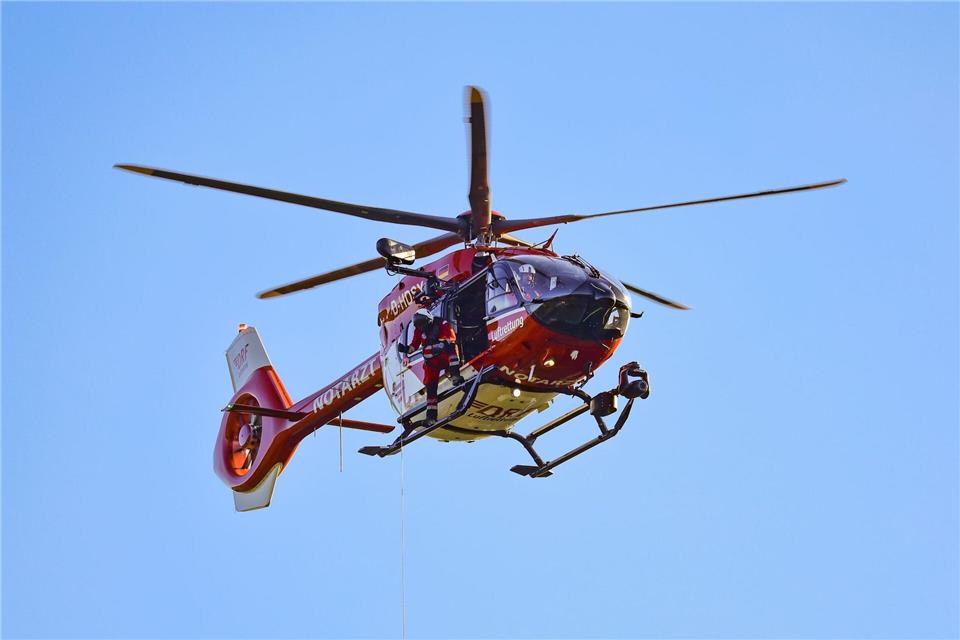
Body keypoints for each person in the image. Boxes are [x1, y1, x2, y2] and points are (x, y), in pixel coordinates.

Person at [400, 309, 464, 424]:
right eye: (418, 324)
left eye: (422, 323)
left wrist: (438, 346)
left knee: (452, 348)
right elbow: (414, 346)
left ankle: (455, 376)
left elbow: (450, 339)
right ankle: (431, 416)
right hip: (432, 362)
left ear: (429, 319)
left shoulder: (441, 324)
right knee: (431, 387)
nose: (421, 326)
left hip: (444, 355)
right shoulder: (419, 330)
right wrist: (405, 349)